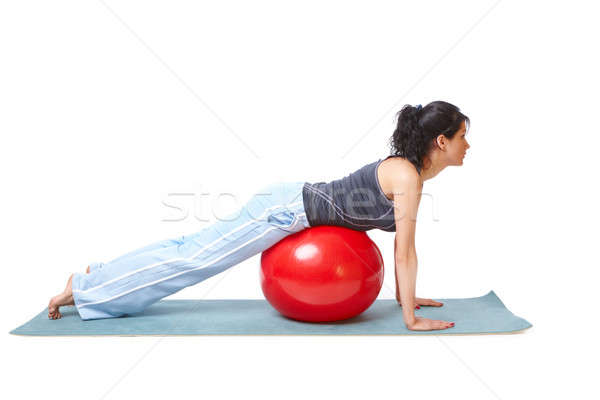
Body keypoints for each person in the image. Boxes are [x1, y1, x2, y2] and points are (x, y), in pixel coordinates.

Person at [48, 100, 470, 331]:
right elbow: (405, 253)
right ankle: (86, 289)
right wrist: (411, 318)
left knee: (188, 248)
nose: (467, 146)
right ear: (441, 140)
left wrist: (403, 298)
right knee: (194, 258)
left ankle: (99, 276)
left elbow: (403, 253)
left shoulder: (408, 174)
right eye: (463, 137)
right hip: (284, 212)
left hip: (289, 207)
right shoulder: (408, 177)